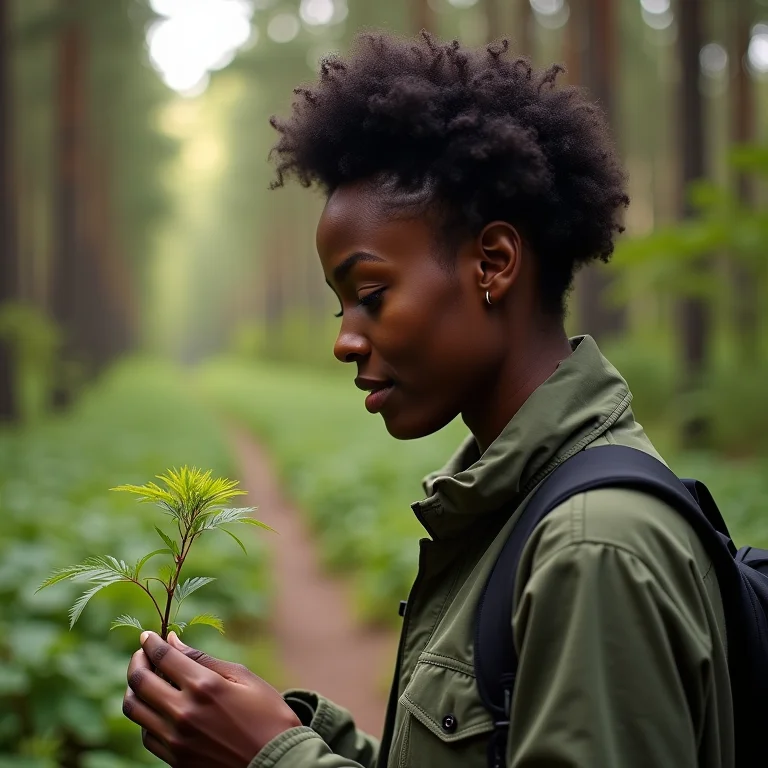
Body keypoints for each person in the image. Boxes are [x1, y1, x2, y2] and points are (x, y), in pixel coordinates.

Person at [122, 32, 733, 768]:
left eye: (371, 295)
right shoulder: (512, 506)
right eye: (339, 307)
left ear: (494, 264)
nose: (346, 341)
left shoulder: (592, 546)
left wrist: (272, 758)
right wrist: (292, 733)